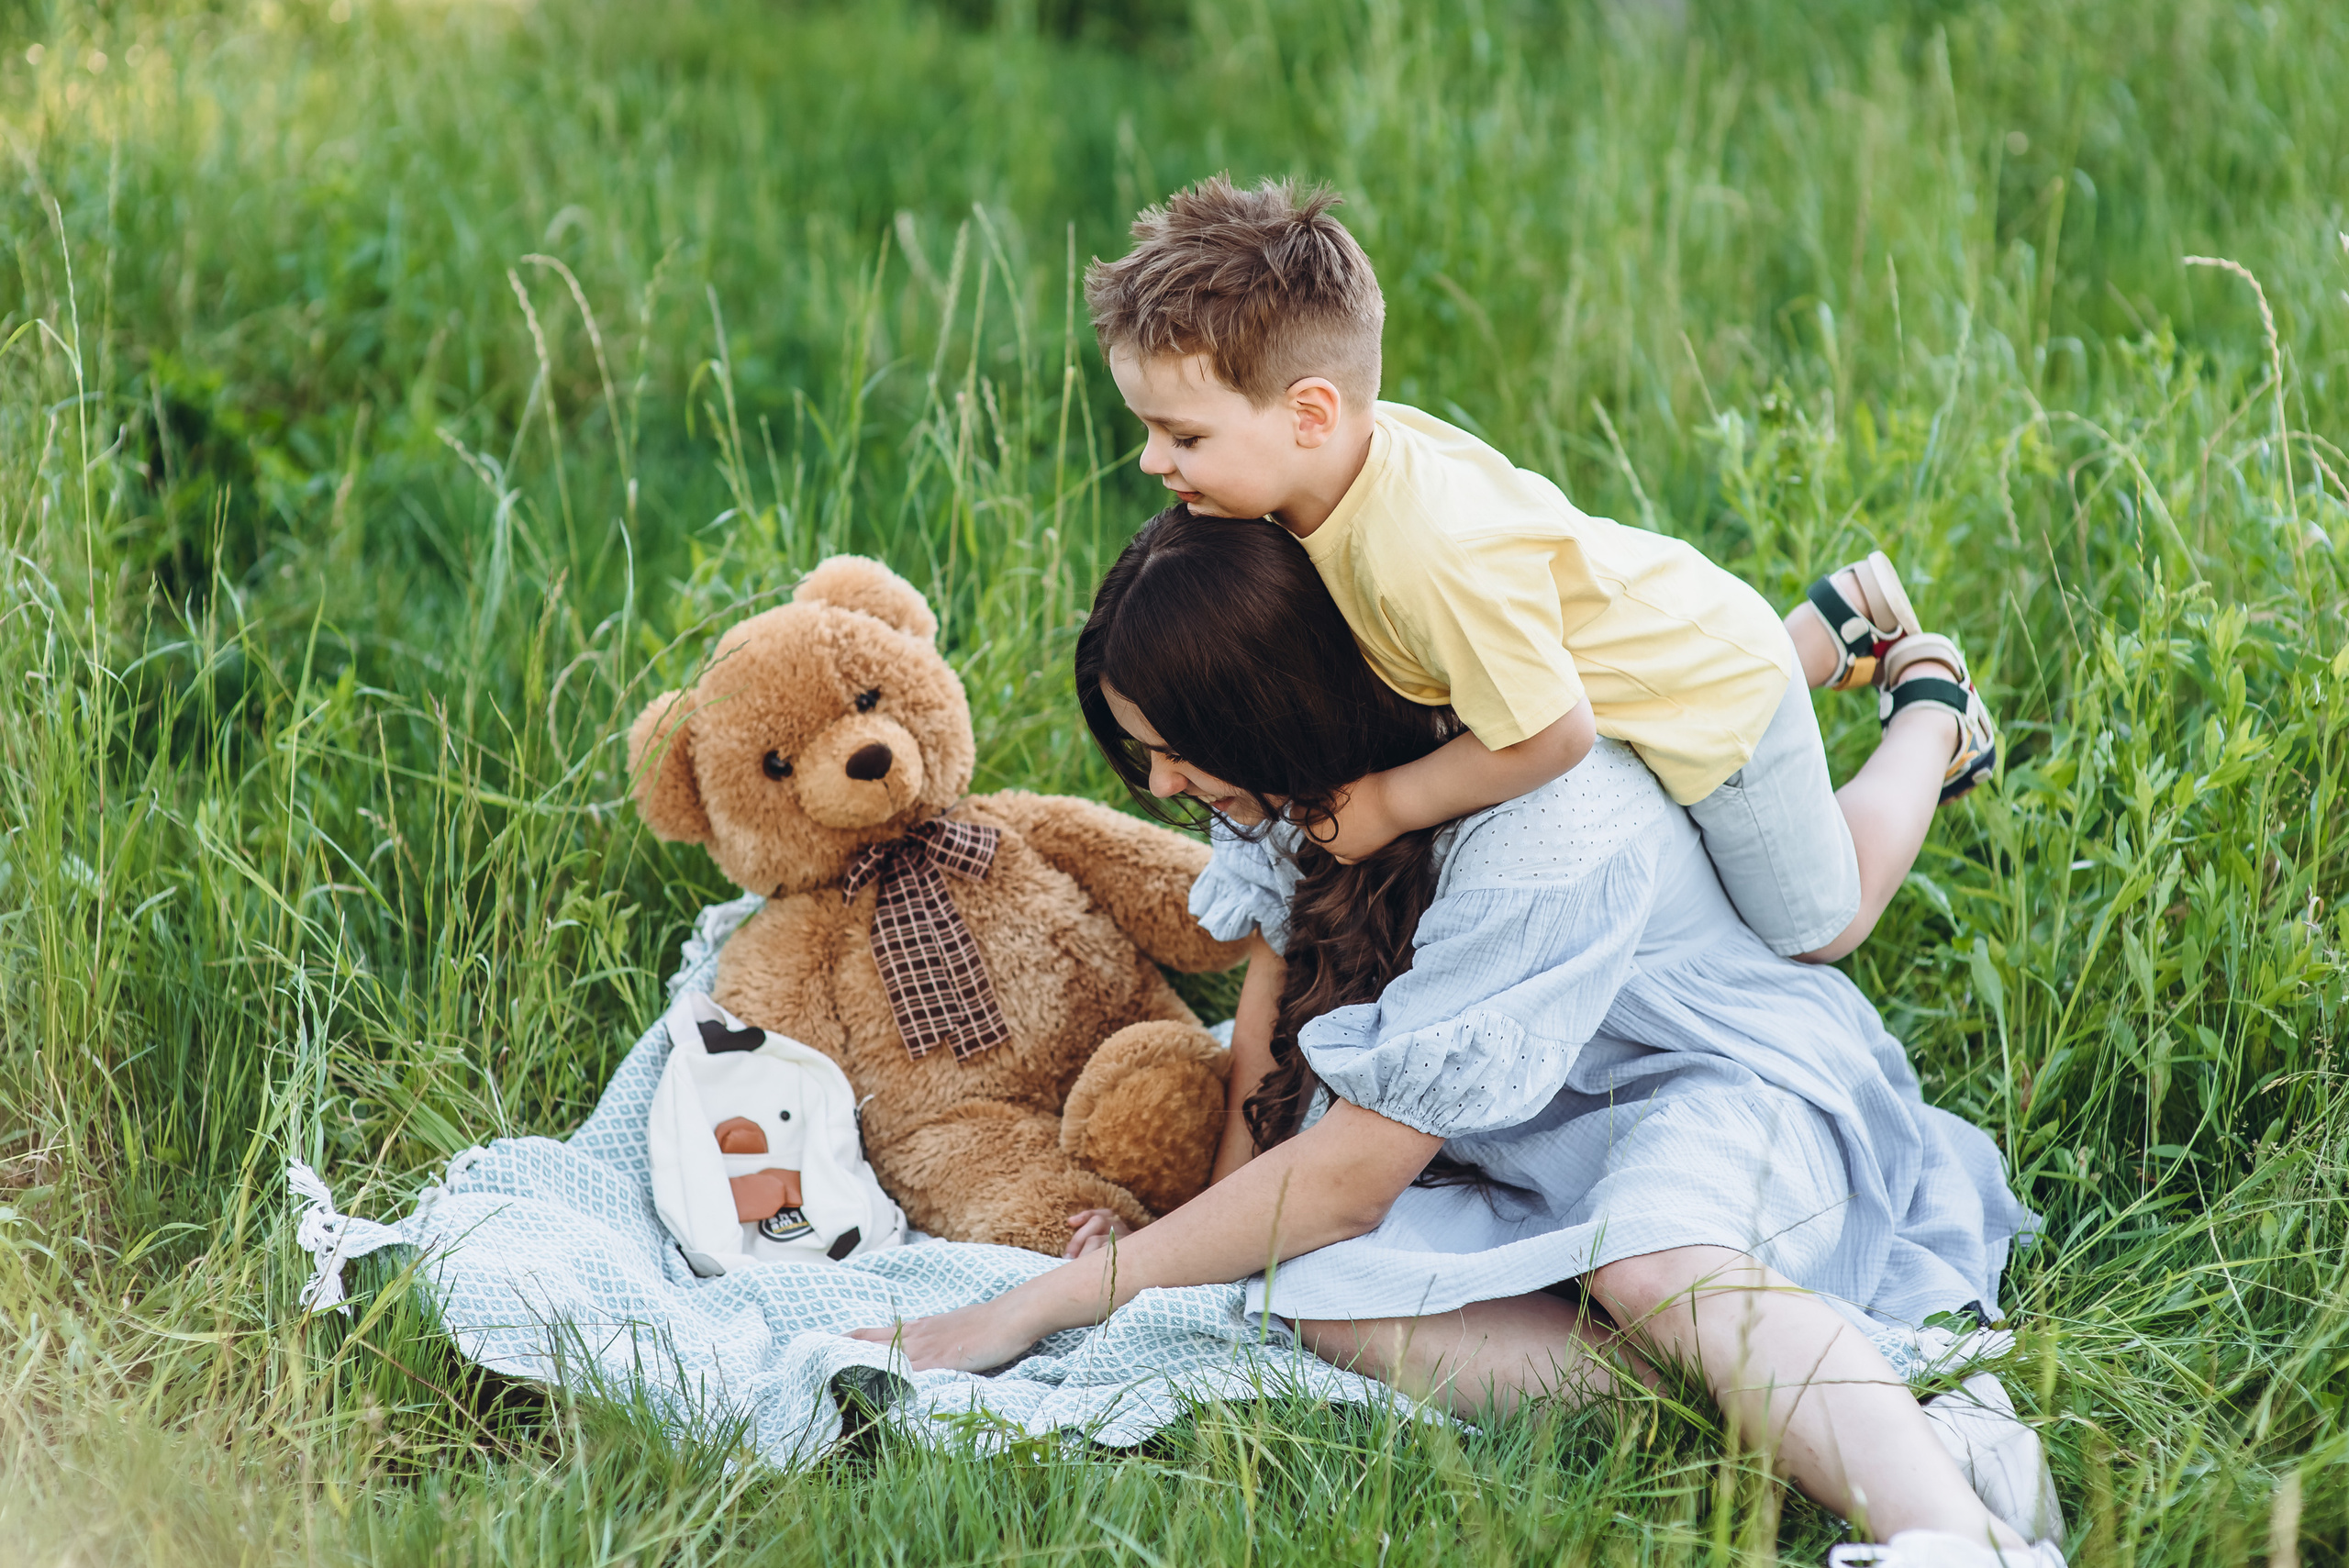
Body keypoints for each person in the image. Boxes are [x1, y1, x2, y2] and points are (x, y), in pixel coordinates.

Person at [850, 510, 2059, 1568]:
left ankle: (1957, 1537)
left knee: (1651, 1260)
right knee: (1294, 1283)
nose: (1161, 786)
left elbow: (1351, 1178)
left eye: (1175, 749)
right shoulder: (1300, 789)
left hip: (1710, 1075)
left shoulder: (1546, 824)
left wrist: (1051, 1302)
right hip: (1524, 1119)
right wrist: (1186, 1238)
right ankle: (1724, 1391)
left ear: (1276, 710)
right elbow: (1276, 1027)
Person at [1081, 173, 1998, 963]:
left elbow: (1554, 734)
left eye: (1182, 436)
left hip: (1719, 704)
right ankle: (1830, 627)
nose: (1152, 463)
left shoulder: (1426, 558)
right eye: (1151, 431)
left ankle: (1931, 706)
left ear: (1310, 413)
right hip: (1652, 620)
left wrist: (1393, 801)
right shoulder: (1331, 467)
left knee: (1818, 926)